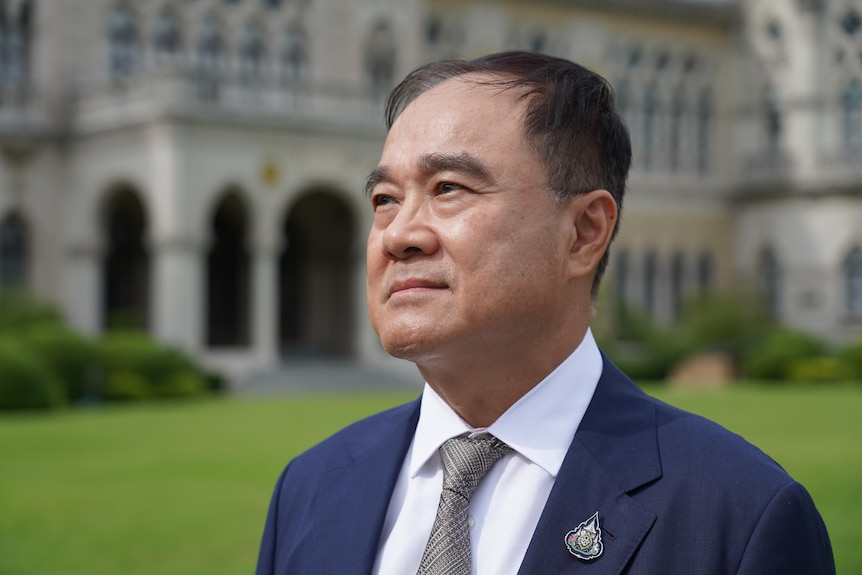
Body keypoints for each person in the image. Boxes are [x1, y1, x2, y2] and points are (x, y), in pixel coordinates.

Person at [255, 51, 834, 575]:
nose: (399, 235)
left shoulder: (739, 515)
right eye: (385, 200)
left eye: (449, 188)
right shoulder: (310, 487)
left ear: (584, 232)